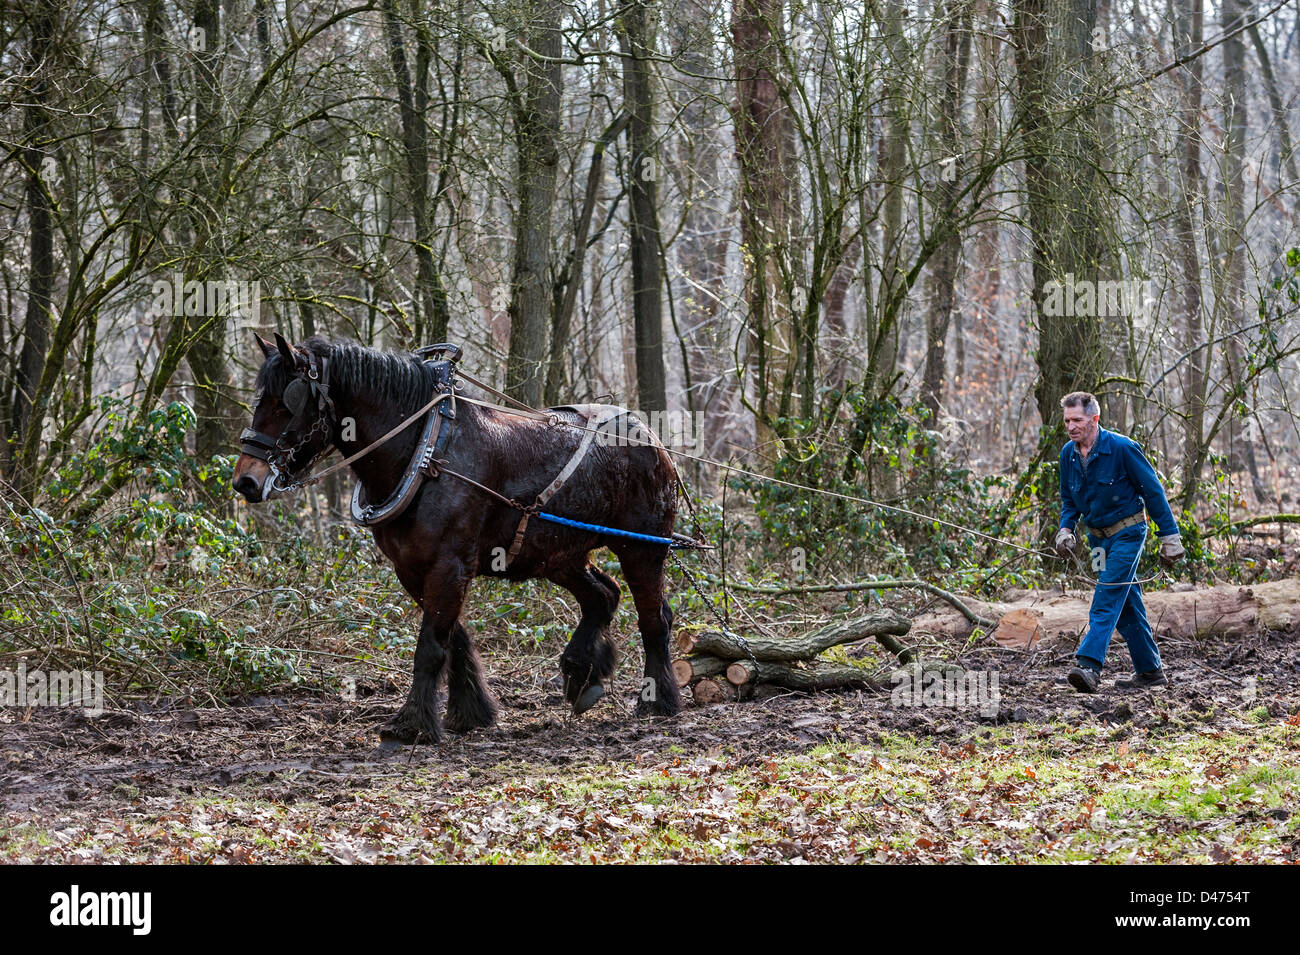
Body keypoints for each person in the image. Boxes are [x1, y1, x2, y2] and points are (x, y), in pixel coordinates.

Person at [1055, 392, 1185, 692]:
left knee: (1107, 593)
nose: (1072, 426)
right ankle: (1151, 672)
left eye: (1078, 420)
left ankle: (1089, 665)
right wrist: (1065, 529)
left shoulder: (1123, 448)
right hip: (1098, 541)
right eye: (1067, 421)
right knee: (1125, 604)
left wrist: (1170, 536)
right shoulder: (1068, 455)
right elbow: (1068, 500)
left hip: (1128, 533)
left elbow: (1153, 492)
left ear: (1095, 419)